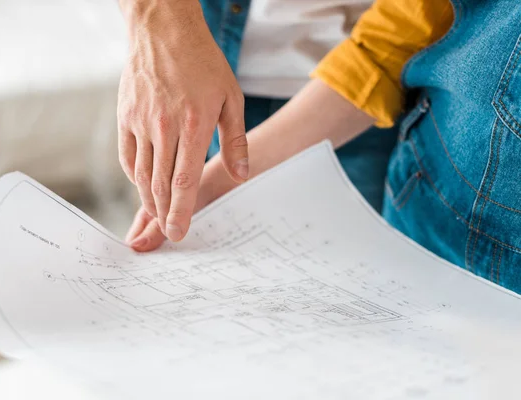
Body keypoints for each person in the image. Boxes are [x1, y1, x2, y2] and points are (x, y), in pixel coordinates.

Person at [123, 0, 521, 295]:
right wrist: (155, 20)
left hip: (372, 133)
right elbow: (390, 45)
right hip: (425, 218)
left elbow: (392, 45)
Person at [116, 0, 399, 244]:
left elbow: (406, 31)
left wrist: (218, 183)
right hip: (191, 90)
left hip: (358, 112)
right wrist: (151, 21)